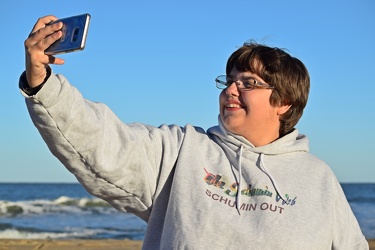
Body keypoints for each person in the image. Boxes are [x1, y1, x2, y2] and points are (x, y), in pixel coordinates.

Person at [20, 15, 369, 249]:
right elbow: (103, 143)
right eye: (229, 80)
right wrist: (43, 84)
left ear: (285, 103)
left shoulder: (317, 179)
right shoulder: (183, 151)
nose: (231, 89)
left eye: (248, 83)